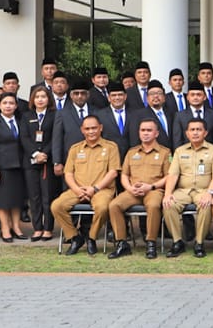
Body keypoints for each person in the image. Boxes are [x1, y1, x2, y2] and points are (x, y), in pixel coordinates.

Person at [53, 116, 120, 255]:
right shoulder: (75, 149)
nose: (91, 131)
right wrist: (77, 190)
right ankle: (75, 237)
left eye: (94, 128)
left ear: (100, 128)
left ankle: (91, 237)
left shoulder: (111, 147)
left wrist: (94, 189)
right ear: (82, 130)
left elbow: (113, 173)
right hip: (78, 189)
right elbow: (68, 174)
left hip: (102, 190)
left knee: (102, 208)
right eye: (87, 129)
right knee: (56, 206)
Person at [108, 119, 170, 259]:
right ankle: (122, 243)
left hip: (154, 189)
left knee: (154, 205)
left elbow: (169, 176)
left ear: (156, 133)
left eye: (149, 130)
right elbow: (124, 174)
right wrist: (129, 188)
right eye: (143, 130)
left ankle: (151, 242)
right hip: (133, 191)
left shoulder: (165, 153)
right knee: (114, 205)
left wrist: (151, 186)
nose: (145, 133)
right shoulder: (132, 152)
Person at [163, 118, 213, 257]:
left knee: (206, 205)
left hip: (203, 190)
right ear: (187, 133)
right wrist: (168, 193)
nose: (195, 133)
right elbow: (173, 174)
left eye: (199, 130)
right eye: (192, 130)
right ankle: (178, 242)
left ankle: (199, 243)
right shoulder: (179, 151)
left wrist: (210, 193)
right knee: (168, 204)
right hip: (183, 190)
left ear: (205, 133)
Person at [0, 92, 28, 242]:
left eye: (11, 103)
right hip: (2, 168)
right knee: (2, 200)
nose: (8, 106)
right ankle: (5, 228)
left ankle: (16, 227)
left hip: (19, 166)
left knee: (16, 199)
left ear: (16, 105)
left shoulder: (21, 121)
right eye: (5, 103)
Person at [20, 86, 57, 241]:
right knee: (34, 197)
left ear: (48, 99)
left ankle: (48, 228)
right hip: (30, 161)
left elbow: (55, 137)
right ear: (32, 100)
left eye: (43, 96)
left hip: (47, 162)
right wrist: (35, 153)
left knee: (47, 196)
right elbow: (24, 137)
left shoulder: (54, 115)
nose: (40, 99)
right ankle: (37, 228)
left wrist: (45, 154)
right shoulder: (26, 116)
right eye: (37, 97)